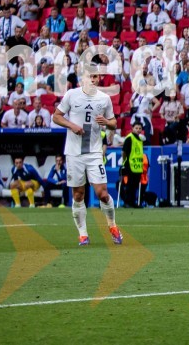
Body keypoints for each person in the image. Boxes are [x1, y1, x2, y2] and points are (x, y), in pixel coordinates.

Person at [52, 57, 122, 246]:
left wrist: (107, 123)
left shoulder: (104, 98)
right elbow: (56, 116)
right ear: (83, 78)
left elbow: (114, 123)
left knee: (102, 193)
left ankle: (112, 225)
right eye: (90, 76)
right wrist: (72, 125)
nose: (93, 79)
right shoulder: (72, 95)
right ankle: (83, 234)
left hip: (94, 153)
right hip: (74, 153)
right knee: (78, 195)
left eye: (96, 76)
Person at [120, 121, 146, 208]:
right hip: (130, 165)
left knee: (135, 186)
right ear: (132, 128)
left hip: (137, 166)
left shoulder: (139, 139)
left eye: (140, 128)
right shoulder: (129, 138)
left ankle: (133, 202)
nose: (138, 130)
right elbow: (124, 152)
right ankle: (127, 202)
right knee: (129, 185)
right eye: (136, 128)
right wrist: (125, 162)